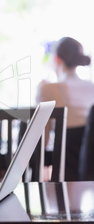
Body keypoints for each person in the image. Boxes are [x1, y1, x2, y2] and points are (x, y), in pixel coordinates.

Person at [36, 36, 94, 181]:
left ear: (56, 59)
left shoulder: (47, 89)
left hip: (65, 177)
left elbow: (42, 139)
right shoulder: (91, 87)